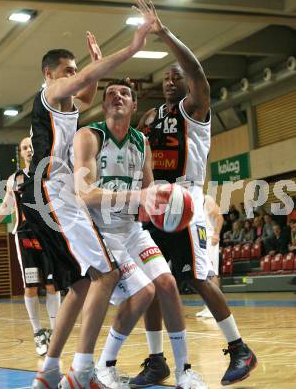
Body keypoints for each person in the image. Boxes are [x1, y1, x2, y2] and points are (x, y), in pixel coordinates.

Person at [22, 19, 156, 389]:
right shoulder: (49, 93)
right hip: (52, 190)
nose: (75, 76)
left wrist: (90, 68)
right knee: (107, 273)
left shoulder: (65, 100)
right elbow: (82, 87)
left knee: (82, 283)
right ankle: (82, 372)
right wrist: (131, 48)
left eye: (76, 70)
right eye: (68, 71)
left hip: (54, 193)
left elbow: (84, 95)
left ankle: (49, 371)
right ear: (50, 74)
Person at [133, 0, 257, 386]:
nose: (171, 81)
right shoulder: (150, 119)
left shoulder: (195, 109)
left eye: (177, 76)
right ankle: (156, 360)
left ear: (188, 83)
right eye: (166, 78)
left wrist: (163, 33)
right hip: (154, 207)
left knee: (200, 280)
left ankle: (240, 349)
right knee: (151, 285)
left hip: (185, 204)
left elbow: (197, 71)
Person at [79, 79, 207, 388]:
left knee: (166, 283)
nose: (117, 97)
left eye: (124, 93)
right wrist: (138, 198)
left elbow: (149, 192)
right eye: (110, 94)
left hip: (132, 229)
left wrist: (176, 204)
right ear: (104, 105)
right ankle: (104, 366)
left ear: (134, 106)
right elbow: (84, 192)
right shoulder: (90, 136)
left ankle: (184, 371)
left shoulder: (141, 142)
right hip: (103, 232)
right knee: (144, 292)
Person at [0, 137, 60, 357]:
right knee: (30, 287)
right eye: (25, 148)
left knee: (51, 286)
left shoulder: (50, 174)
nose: (29, 150)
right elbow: (4, 208)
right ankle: (38, 331)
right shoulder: (14, 180)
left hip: (48, 236)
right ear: (20, 153)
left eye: (32, 146)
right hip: (25, 237)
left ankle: (56, 331)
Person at [196, 194, 223, 319]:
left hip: (209, 238)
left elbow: (219, 217)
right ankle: (209, 306)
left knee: (211, 272)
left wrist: (216, 234)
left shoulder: (206, 198)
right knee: (204, 274)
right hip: (199, 239)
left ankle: (216, 307)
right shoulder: (191, 199)